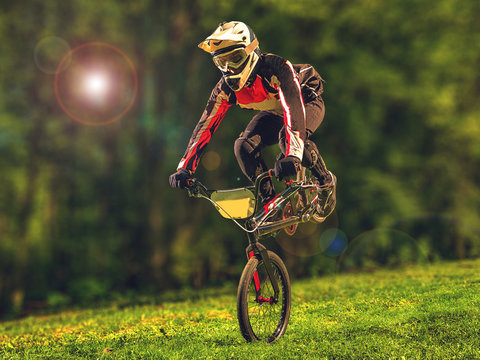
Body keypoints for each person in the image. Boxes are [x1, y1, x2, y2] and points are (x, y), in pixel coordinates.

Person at [169, 21, 333, 205]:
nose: (229, 68)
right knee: (243, 146)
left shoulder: (276, 67)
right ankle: (270, 201)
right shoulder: (224, 90)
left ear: (251, 52)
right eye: (222, 62)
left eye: (236, 58)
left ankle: (325, 182)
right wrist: (185, 168)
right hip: (276, 111)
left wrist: (293, 155)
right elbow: (205, 126)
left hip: (306, 100)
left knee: (286, 139)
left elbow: (292, 105)